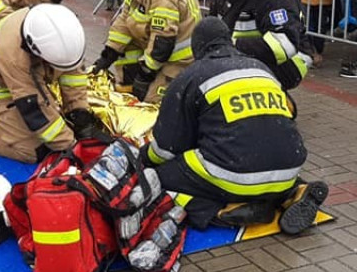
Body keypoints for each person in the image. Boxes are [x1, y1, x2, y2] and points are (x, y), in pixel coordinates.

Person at [141, 16, 329, 233]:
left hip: (234, 174)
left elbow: (167, 148)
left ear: (197, 47)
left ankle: (226, 210)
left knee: (160, 178)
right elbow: (290, 111)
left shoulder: (191, 77)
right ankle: (294, 193)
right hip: (289, 169)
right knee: (257, 162)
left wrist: (144, 158)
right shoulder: (261, 68)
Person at [0, 4, 102, 163]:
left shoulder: (59, 33)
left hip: (6, 71)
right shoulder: (16, 57)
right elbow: (34, 109)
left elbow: (73, 75)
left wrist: (79, 112)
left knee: (56, 126)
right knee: (33, 149)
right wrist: (71, 147)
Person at [89, 0, 201, 104]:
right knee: (125, 48)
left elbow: (162, 44)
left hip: (178, 61)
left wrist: (144, 77)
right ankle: (128, 85)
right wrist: (108, 54)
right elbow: (123, 20)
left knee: (152, 101)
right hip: (156, 48)